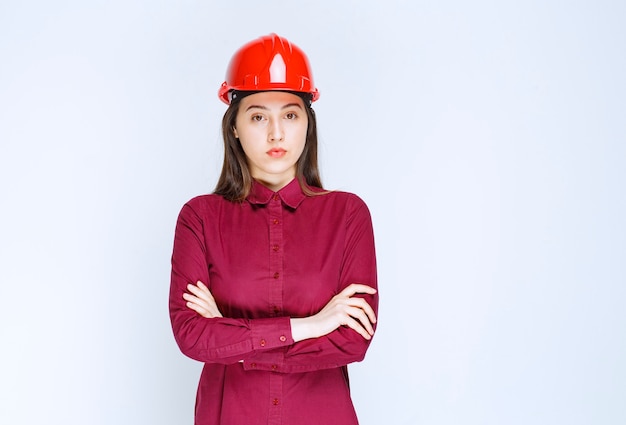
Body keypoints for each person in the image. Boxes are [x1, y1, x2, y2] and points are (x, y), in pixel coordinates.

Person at [169, 33, 378, 425]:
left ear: (307, 124)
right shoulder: (199, 218)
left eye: (290, 115)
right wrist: (311, 326)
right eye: (258, 116)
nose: (275, 133)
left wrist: (236, 341)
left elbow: (352, 341)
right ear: (234, 126)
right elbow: (193, 336)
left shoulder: (348, 215)